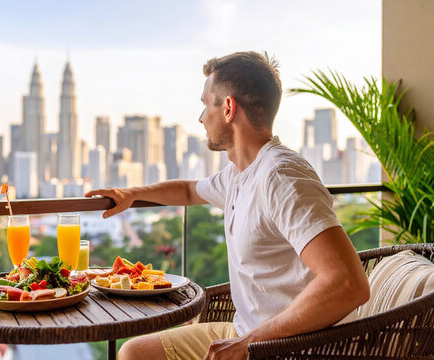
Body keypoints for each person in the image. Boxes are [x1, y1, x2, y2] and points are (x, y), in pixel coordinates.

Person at [84, 51, 370, 360]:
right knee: (135, 352)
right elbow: (189, 190)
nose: (201, 117)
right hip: (247, 332)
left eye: (206, 105)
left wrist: (247, 344)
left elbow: (348, 283)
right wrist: (132, 193)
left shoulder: (282, 177)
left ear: (229, 108)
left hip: (293, 346)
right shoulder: (239, 174)